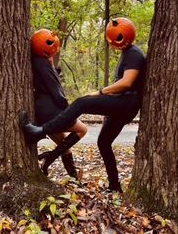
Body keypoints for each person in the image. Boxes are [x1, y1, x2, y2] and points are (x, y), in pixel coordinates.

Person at [22, 18, 146, 192]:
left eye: (116, 38)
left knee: (81, 102)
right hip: (121, 104)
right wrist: (107, 109)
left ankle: (40, 131)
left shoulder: (133, 53)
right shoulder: (127, 53)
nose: (112, 41)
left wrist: (101, 93)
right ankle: (115, 186)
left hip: (126, 103)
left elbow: (126, 83)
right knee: (103, 143)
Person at [29, 28, 87, 178]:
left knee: (63, 145)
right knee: (82, 130)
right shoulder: (43, 64)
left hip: (41, 110)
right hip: (51, 110)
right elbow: (57, 93)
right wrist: (68, 109)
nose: (54, 47)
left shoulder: (37, 62)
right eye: (50, 43)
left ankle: (74, 178)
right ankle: (49, 158)